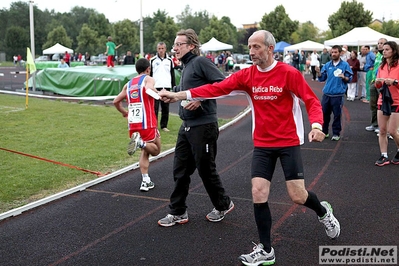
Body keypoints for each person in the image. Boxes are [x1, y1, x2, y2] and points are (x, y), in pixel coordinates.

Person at [159, 29, 340, 265]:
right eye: (249, 47)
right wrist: (179, 95)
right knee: (258, 192)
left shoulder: (289, 73)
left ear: (270, 49)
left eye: (256, 47)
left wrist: (316, 125)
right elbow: (216, 88)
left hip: (287, 142)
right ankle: (266, 249)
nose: (251, 52)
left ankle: (323, 212)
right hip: (263, 143)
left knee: (297, 196)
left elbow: (311, 100)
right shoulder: (248, 75)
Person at [157, 29, 234, 227]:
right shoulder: (185, 66)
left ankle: (223, 204)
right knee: (180, 170)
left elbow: (223, 84)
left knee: (206, 169)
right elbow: (185, 91)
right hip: (187, 126)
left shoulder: (200, 62)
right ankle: (178, 211)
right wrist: (170, 93)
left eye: (178, 45)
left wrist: (200, 98)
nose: (174, 48)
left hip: (204, 126)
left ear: (191, 46)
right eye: (173, 45)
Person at [113, 58, 161, 191]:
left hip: (133, 123)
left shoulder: (128, 84)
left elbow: (116, 101)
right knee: (156, 150)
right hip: (147, 122)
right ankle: (141, 143)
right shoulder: (148, 79)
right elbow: (149, 88)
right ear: (148, 69)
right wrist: (158, 93)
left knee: (145, 152)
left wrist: (124, 113)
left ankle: (145, 181)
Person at [316, 45, 353, 141]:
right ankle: (325, 131)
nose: (333, 54)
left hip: (338, 94)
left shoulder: (345, 65)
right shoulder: (327, 65)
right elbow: (322, 78)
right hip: (327, 94)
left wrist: (344, 77)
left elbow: (350, 78)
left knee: (337, 115)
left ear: (340, 53)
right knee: (324, 114)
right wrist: (319, 73)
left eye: (335, 52)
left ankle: (336, 133)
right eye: (332, 52)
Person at [374, 41, 399, 166]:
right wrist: (378, 82)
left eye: (387, 49)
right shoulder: (381, 67)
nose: (384, 51)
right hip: (383, 100)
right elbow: (377, 84)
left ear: (394, 51)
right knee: (382, 130)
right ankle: (384, 155)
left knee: (393, 131)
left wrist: (394, 82)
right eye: (383, 49)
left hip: (396, 100)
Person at [150, 42, 176, 132]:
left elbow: (172, 74)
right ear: (157, 49)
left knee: (165, 107)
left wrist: (173, 87)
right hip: (155, 87)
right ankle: (154, 126)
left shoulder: (170, 60)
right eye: (159, 48)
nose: (161, 50)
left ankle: (164, 125)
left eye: (162, 48)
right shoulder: (152, 60)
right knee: (155, 108)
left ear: (165, 49)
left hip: (166, 86)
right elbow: (150, 74)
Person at [366, 38, 388, 133]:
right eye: (378, 43)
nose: (379, 45)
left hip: (383, 83)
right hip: (374, 81)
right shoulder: (378, 55)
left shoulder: (387, 56)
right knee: (373, 104)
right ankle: (374, 124)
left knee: (383, 105)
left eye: (382, 43)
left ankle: (382, 126)